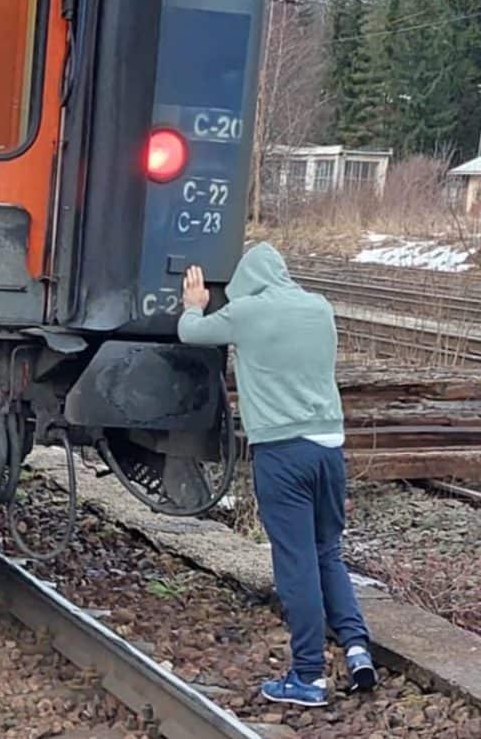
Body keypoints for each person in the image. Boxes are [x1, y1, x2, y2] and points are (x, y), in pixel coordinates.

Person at [178, 245, 377, 707]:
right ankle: (356, 647)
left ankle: (307, 675)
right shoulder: (319, 307)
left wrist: (195, 305)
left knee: (296, 563)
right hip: (330, 447)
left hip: (283, 454)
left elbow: (192, 334)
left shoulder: (245, 312)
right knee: (328, 551)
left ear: (247, 280)